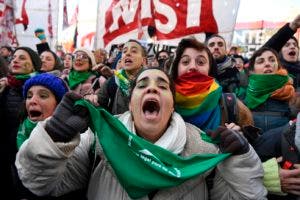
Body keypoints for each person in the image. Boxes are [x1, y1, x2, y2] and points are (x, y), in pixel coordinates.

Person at [15, 67, 267, 200]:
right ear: (132, 102)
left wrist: (241, 160)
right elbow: (39, 183)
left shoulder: (205, 152)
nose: (152, 90)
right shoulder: (97, 141)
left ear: (171, 104)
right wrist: (54, 136)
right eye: (142, 86)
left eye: (162, 86)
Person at [171, 37, 253, 132]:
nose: (192, 67)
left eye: (201, 62)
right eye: (185, 62)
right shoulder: (163, 102)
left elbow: (253, 138)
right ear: (176, 68)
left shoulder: (231, 105)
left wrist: (242, 136)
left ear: (209, 69)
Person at [0, 46, 41, 198]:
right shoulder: (5, 87)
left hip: (30, 159)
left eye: (22, 58)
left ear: (34, 65)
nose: (15, 60)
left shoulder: (43, 88)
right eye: (14, 57)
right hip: (6, 158)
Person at [86, 39, 147, 114]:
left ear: (143, 61)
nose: (128, 54)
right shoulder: (114, 80)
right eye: (124, 51)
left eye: (134, 51)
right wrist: (92, 99)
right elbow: (100, 100)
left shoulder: (150, 81)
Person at [244, 47, 295, 132]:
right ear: (252, 70)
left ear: (278, 66)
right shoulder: (242, 94)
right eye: (260, 61)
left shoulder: (291, 94)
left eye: (272, 60)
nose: (267, 64)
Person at [263, 14, 300, 91]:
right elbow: (264, 52)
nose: (292, 47)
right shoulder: (270, 72)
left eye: (295, 45)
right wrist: (292, 27)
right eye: (287, 45)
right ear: (280, 52)